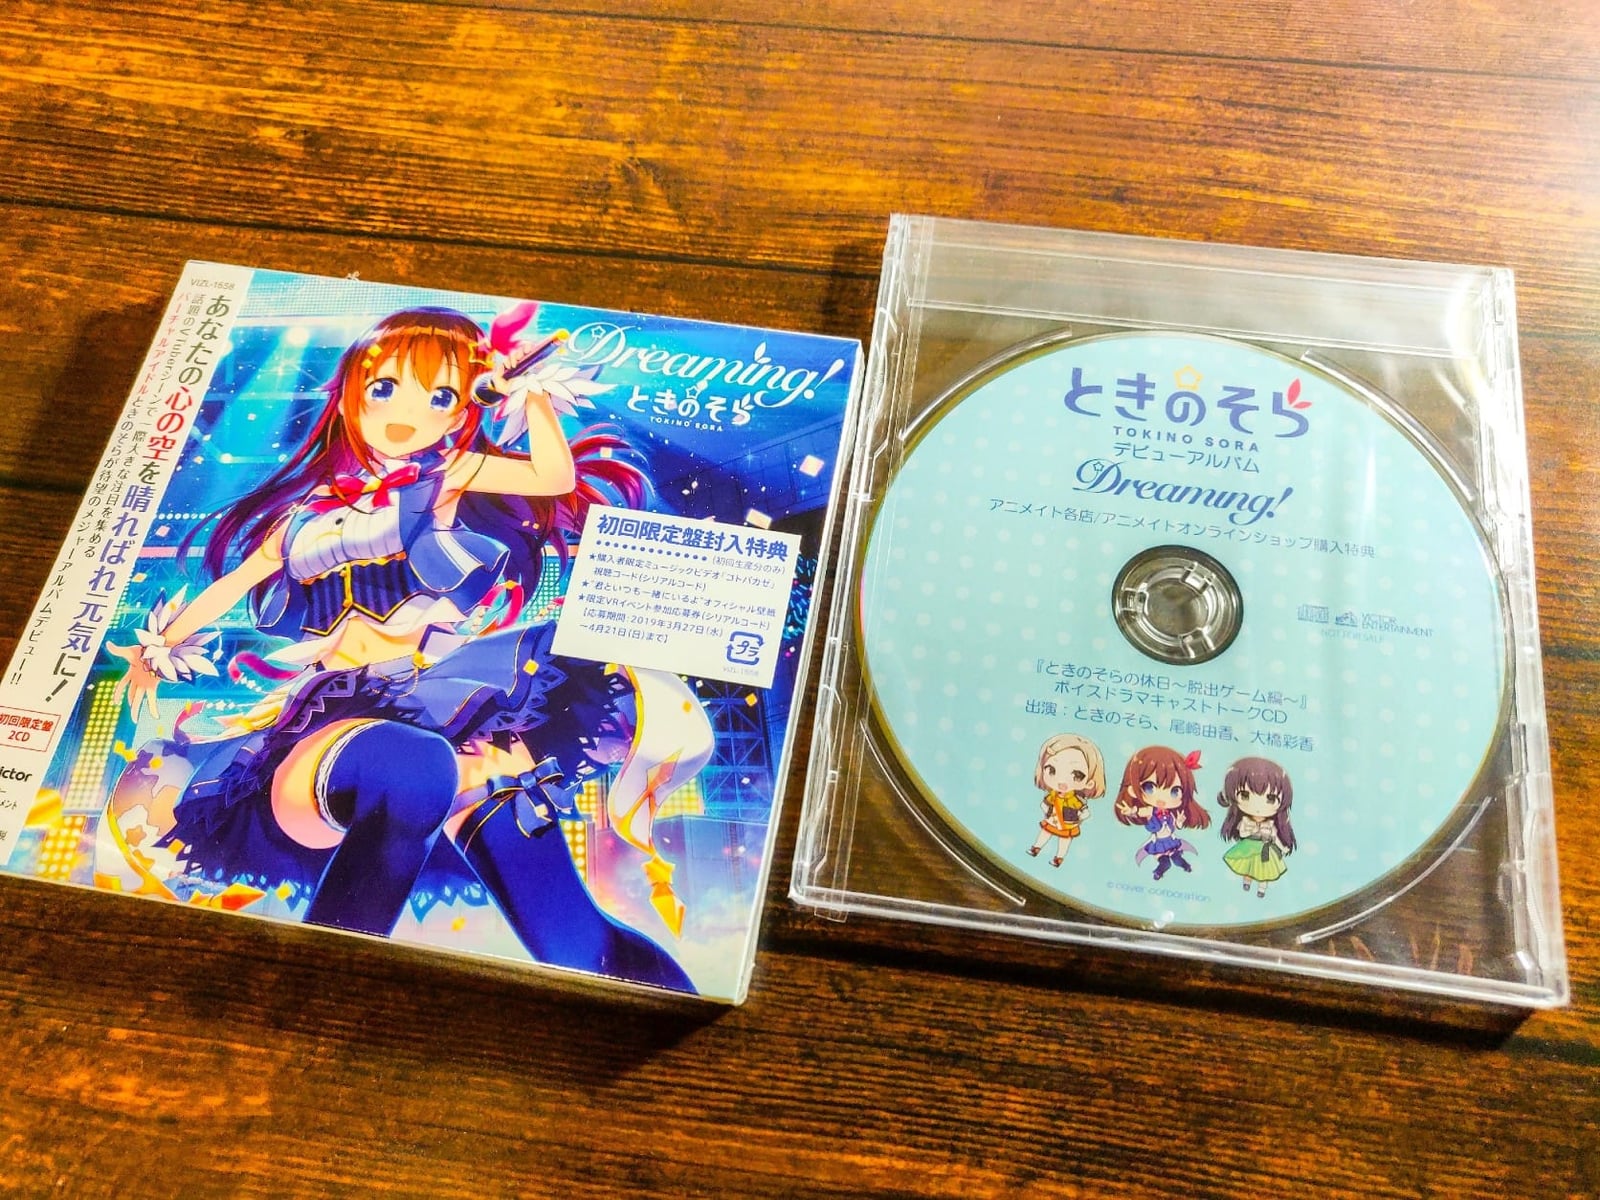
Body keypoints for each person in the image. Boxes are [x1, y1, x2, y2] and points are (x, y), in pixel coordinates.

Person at [102, 305, 704, 990]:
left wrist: (532, 397)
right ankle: (320, 986)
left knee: (574, 938)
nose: (406, 412)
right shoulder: (300, 521)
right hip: (334, 720)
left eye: (440, 396)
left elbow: (552, 478)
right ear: (348, 397)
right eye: (385, 387)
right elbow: (231, 587)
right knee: (411, 768)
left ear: (461, 413)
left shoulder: (449, 475)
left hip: (446, 700)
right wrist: (156, 648)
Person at [1113, 746, 1209, 881]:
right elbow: (1139, 812)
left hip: (1171, 841)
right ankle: (1158, 873)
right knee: (1165, 862)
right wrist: (1131, 811)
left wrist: (1179, 822)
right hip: (1158, 843)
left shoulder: (1170, 814)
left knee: (1177, 858)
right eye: (1150, 787)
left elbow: (1176, 826)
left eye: (1175, 791)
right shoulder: (1151, 811)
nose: (1162, 799)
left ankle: (1186, 866)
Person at [1215, 756, 1297, 898]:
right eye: (1244, 795)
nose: (1258, 807)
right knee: (1248, 868)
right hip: (1248, 847)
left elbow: (1275, 839)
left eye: (1271, 798)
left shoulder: (1270, 826)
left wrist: (1283, 848)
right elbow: (1242, 834)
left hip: (1266, 850)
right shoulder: (1246, 822)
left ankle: (1261, 890)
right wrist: (1251, 830)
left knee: (1264, 872)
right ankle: (1246, 883)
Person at [1026, 733, 1105, 866]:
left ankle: (1059, 858)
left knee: (1065, 840)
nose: (1062, 781)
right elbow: (1045, 803)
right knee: (1045, 833)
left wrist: (1079, 818)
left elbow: (1085, 812)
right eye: (1051, 770)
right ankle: (1036, 848)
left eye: (1077, 775)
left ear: (1089, 782)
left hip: (1068, 823)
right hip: (1052, 820)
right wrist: (1046, 810)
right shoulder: (1053, 794)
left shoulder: (1074, 799)